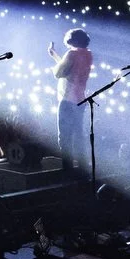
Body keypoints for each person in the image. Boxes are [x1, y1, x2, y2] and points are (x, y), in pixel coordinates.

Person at [47, 28, 93, 171]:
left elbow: (59, 73)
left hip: (67, 100)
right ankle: (83, 168)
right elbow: (69, 69)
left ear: (72, 40)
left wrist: (55, 59)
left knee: (65, 137)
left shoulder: (71, 54)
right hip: (80, 99)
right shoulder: (88, 54)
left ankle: (68, 169)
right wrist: (55, 56)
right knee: (79, 135)